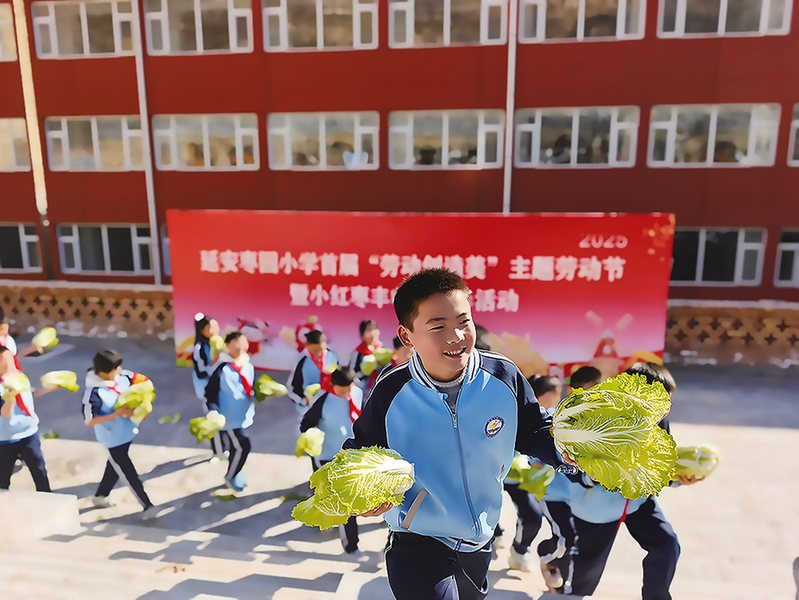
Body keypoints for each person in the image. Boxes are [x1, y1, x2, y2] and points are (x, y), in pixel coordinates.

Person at [343, 268, 574, 600]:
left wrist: (567, 453)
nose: (456, 336)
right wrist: (361, 496)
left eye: (463, 322)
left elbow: (533, 429)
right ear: (407, 336)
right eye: (438, 326)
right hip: (418, 539)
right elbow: (359, 453)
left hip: (479, 539)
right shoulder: (391, 391)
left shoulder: (503, 375)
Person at [553, 362, 695, 599]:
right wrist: (601, 475)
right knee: (585, 574)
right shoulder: (598, 419)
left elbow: (658, 465)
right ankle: (562, 581)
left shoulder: (659, 419)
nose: (666, 409)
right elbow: (573, 469)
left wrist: (677, 478)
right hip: (597, 508)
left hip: (638, 501)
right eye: (661, 401)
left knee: (666, 545)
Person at [83, 349, 158, 519]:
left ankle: (100, 496)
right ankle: (148, 506)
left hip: (128, 432)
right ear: (103, 372)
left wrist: (143, 405)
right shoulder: (93, 393)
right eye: (115, 369)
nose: (119, 370)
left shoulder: (124, 376)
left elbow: (143, 381)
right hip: (113, 439)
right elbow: (90, 420)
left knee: (114, 465)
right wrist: (118, 413)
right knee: (129, 474)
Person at [300, 366, 364, 555]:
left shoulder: (357, 393)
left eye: (348, 389)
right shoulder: (322, 399)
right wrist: (311, 439)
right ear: (333, 385)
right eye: (342, 391)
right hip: (327, 457)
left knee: (347, 501)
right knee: (331, 497)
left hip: (350, 456)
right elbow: (305, 425)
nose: (346, 394)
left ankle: (350, 544)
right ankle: (345, 540)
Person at [503, 375, 562, 574]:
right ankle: (496, 534)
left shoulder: (553, 416)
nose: (552, 406)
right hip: (501, 472)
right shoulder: (515, 410)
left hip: (523, 478)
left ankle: (519, 551)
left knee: (532, 517)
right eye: (552, 398)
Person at [0, 346, 56, 492]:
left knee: (39, 470)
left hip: (29, 434)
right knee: (3, 478)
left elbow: (29, 395)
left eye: (10, 358)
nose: (9, 363)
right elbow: (4, 413)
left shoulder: (20, 377)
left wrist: (49, 389)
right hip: (5, 439)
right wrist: (10, 396)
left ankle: (46, 497)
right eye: (3, 360)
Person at [205, 332, 255, 492]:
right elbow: (210, 393)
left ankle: (235, 472)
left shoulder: (247, 365)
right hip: (230, 418)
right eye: (237, 343)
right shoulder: (221, 368)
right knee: (243, 446)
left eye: (244, 342)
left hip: (243, 416)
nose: (241, 347)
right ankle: (231, 476)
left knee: (236, 448)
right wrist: (212, 411)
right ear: (227, 346)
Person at [191, 313, 226, 460]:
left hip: (220, 387)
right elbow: (201, 372)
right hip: (207, 390)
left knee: (223, 419)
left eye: (216, 326)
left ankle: (224, 448)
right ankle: (218, 452)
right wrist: (216, 361)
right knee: (213, 421)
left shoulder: (217, 343)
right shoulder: (199, 348)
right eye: (211, 327)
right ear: (202, 330)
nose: (216, 329)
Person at [287, 330, 339, 415]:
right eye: (314, 350)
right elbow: (292, 389)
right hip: (309, 409)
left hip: (329, 406)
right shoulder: (301, 361)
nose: (318, 353)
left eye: (321, 350)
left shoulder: (332, 356)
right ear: (307, 346)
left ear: (325, 344)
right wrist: (304, 400)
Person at [349, 319, 382, 392]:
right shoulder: (358, 353)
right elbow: (351, 375)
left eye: (374, 329)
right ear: (362, 335)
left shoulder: (382, 349)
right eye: (369, 330)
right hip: (365, 391)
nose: (373, 332)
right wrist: (365, 372)